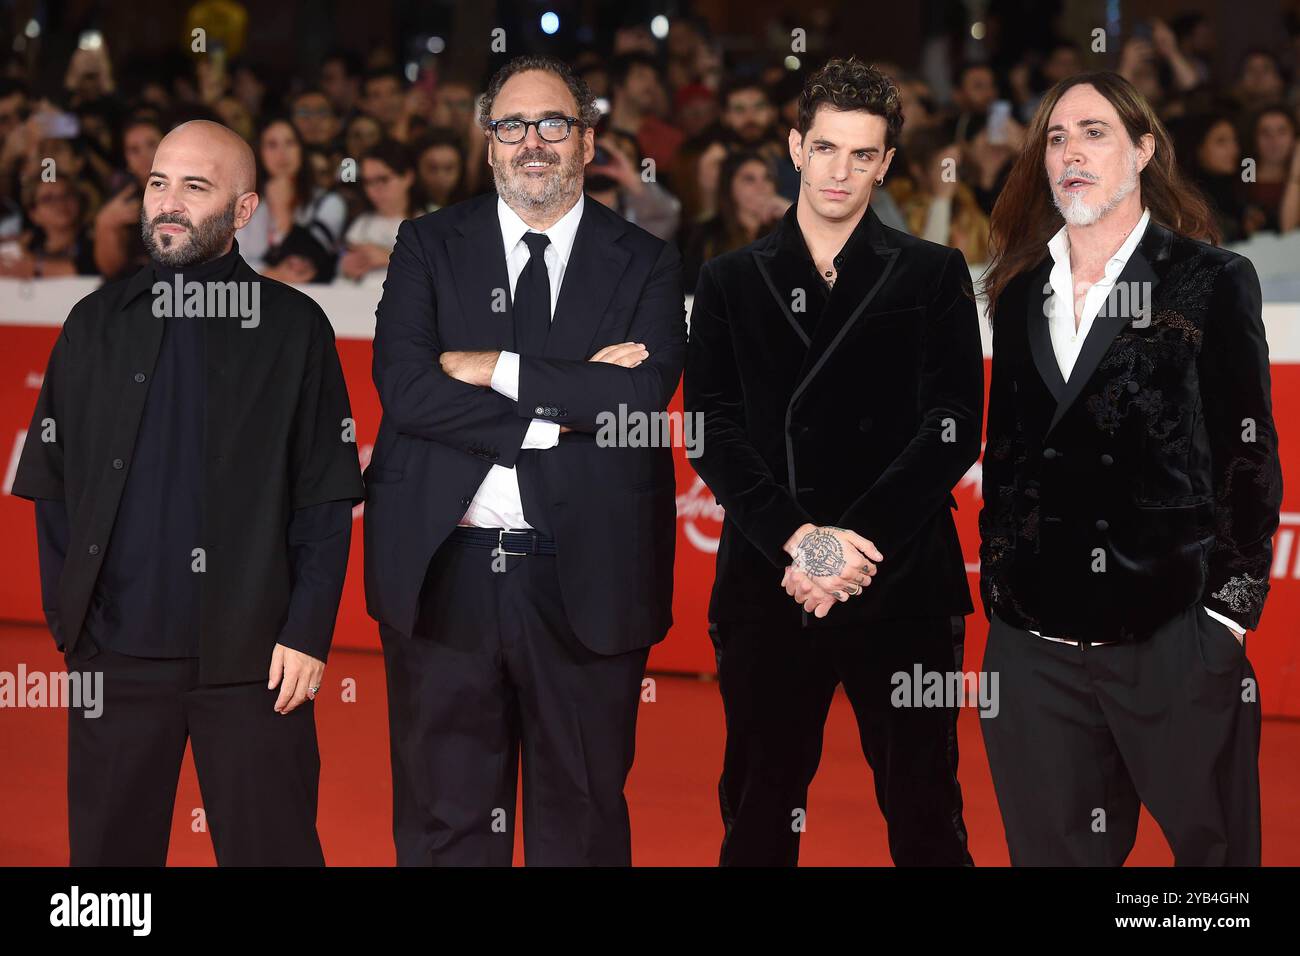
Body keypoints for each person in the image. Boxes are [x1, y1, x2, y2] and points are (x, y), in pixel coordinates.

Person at [11, 120, 364, 865]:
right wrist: (71, 620)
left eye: (195, 187)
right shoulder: (94, 325)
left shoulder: (295, 327)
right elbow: (53, 486)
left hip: (256, 661)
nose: (168, 203)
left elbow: (326, 499)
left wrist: (306, 631)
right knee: (108, 876)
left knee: (275, 854)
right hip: (115, 655)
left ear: (242, 212)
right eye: (158, 182)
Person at [365, 54, 685, 866]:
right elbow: (405, 391)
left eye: (553, 124)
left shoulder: (648, 260)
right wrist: (554, 415)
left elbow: (634, 403)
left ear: (586, 140)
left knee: (578, 826)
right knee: (445, 826)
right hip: (447, 575)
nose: (531, 142)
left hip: (586, 579)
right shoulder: (427, 245)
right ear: (488, 145)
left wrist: (493, 368)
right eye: (511, 126)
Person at [683, 57, 983, 867]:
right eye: (825, 149)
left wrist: (851, 543)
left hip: (902, 580)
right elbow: (708, 429)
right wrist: (804, 543)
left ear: (887, 163)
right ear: (795, 146)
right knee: (757, 811)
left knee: (926, 813)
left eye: (862, 155)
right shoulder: (729, 280)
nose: (841, 171)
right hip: (770, 582)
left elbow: (956, 427)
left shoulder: (933, 273)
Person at [978, 71, 1281, 866]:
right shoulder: (1017, 292)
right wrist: (1002, 596)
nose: (1071, 151)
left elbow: (1248, 458)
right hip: (1035, 643)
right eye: (1056, 137)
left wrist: (1226, 619)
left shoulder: (1210, 279)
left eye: (1095, 132)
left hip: (1173, 637)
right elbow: (1004, 453)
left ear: (1145, 149)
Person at [339, 139, 417, 280]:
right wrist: (346, 267)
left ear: (407, 177)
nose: (375, 190)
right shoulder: (360, 224)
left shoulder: (428, 223)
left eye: (383, 180)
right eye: (368, 182)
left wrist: (388, 257)